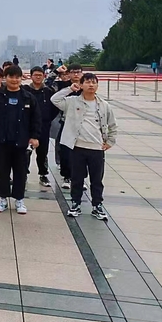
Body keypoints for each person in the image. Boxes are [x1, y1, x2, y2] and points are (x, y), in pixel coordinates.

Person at [52, 73, 117, 221]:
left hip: (97, 148)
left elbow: (113, 125)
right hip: (77, 147)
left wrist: (110, 142)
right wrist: (70, 89)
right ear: (81, 85)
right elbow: (55, 99)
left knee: (97, 179)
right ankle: (75, 203)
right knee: (77, 178)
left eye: (94, 82)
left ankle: (97, 205)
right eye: (87, 82)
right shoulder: (72, 102)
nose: (91, 85)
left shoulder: (104, 105)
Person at [0, 65, 41, 215]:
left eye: (17, 77)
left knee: (20, 172)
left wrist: (34, 136)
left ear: (21, 78)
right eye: (11, 77)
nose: (14, 80)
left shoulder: (28, 97)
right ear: (5, 78)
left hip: (21, 140)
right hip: (2, 139)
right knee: (3, 170)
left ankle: (19, 199)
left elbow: (36, 119)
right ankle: (3, 199)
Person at [23, 66, 59, 187]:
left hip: (44, 126)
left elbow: (55, 108)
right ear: (31, 76)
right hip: (27, 125)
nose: (38, 77)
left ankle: (43, 174)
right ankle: (23, 174)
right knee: (25, 151)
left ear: (44, 76)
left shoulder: (48, 91)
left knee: (42, 152)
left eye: (40, 75)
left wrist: (48, 118)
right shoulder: (25, 90)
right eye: (35, 75)